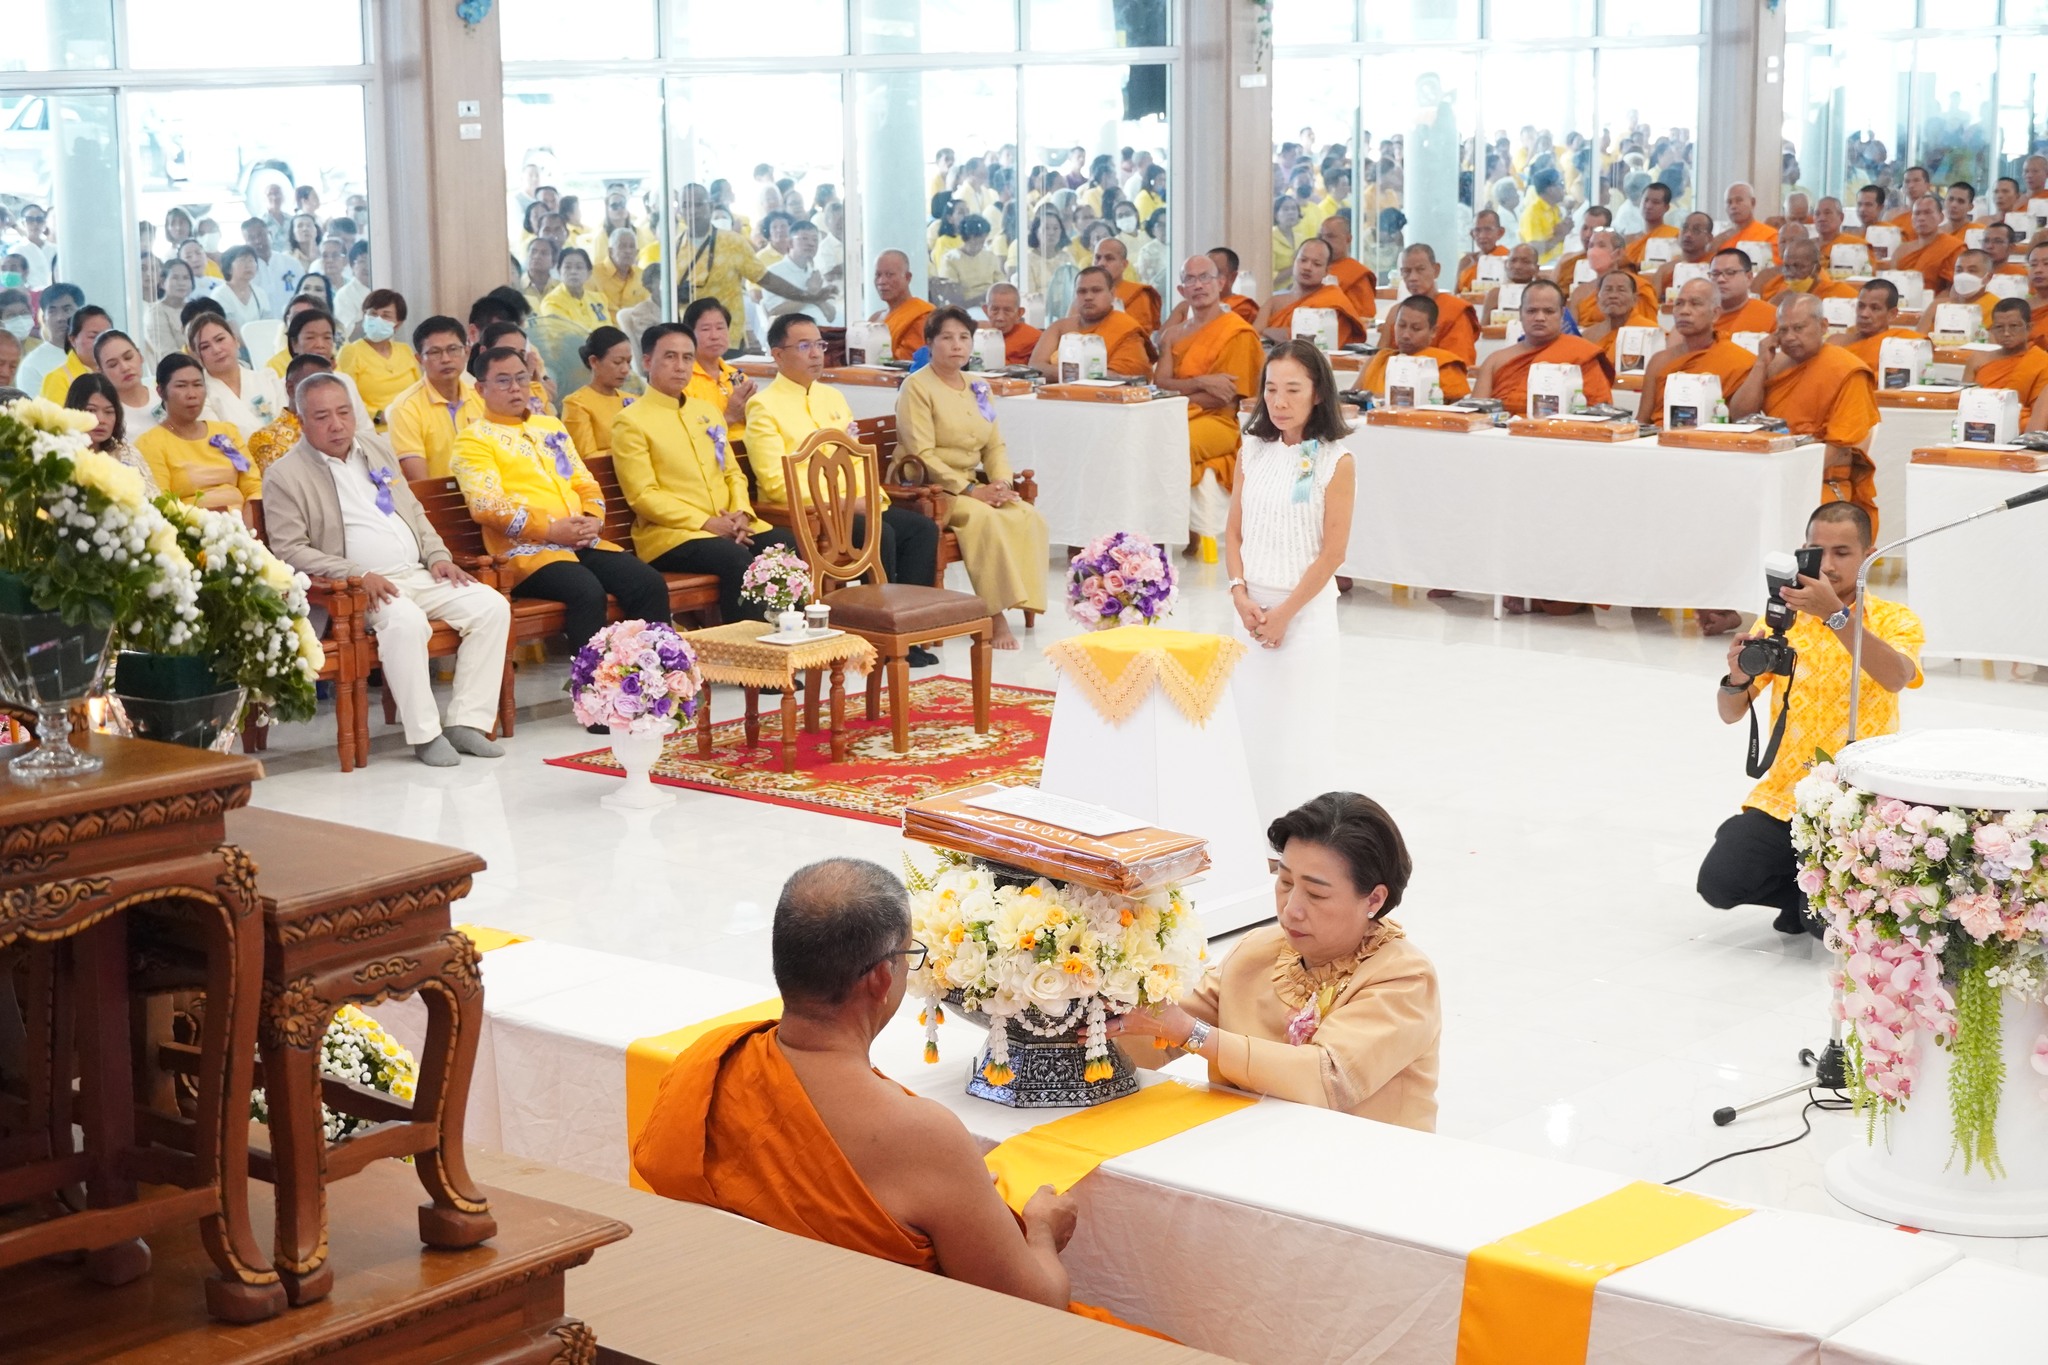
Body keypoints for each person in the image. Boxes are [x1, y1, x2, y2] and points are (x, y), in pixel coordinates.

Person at [632, 859, 1169, 1337]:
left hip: (732, 1327)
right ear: (880, 977)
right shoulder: (919, 1134)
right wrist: (1044, 1231)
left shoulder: (707, 1061)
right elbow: (1034, 1307)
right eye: (909, 955)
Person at [1110, 790, 1439, 1124]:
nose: (1291, 909)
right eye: (1284, 882)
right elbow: (1161, 1029)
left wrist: (1192, 1034)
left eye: (1316, 894)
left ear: (1374, 900)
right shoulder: (1257, 951)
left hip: (1359, 1152)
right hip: (1245, 1140)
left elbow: (1326, 1079)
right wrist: (1099, 1004)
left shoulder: (1404, 979)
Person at [1697, 503, 1923, 936]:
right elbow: (1730, 712)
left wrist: (1835, 615)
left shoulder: (1896, 619)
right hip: (1787, 795)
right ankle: (1800, 892)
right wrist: (1736, 679)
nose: (1829, 565)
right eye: (1818, 551)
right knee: (1719, 884)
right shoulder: (1782, 620)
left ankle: (1817, 902)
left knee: (1823, 927)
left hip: (1857, 804)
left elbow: (1896, 677)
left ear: (1868, 556)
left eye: (1843, 552)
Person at [266, 372, 510, 767]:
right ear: (301, 420)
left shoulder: (376, 447)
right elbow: (290, 549)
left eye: (344, 412)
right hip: (357, 589)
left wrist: (438, 556)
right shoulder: (284, 474)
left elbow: (412, 509)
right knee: (406, 622)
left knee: (491, 606)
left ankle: (467, 722)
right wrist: (357, 574)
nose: (337, 424)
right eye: (323, 416)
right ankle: (426, 735)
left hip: (417, 572)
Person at [1211, 341, 1357, 823]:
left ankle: (1299, 839)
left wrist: (1284, 615)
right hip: (1249, 615)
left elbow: (1333, 552)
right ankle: (1246, 830)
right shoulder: (1252, 449)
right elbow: (1234, 531)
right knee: (1248, 728)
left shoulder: (1337, 460)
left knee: (1298, 737)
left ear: (1318, 393)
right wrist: (1239, 593)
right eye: (1271, 389)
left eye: (1293, 389)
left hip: (1303, 617)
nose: (1279, 401)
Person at [453, 345, 671, 659]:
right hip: (527, 553)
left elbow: (584, 482)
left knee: (647, 582)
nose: (515, 388)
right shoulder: (474, 439)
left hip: (581, 541)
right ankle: (593, 684)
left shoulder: (550, 426)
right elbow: (487, 506)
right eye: (503, 381)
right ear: (480, 389)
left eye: (521, 378)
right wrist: (551, 530)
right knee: (586, 591)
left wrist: (592, 518)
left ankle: (656, 675)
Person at [745, 315, 939, 653]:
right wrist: (847, 505)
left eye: (819, 345)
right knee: (880, 533)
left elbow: (856, 460)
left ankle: (910, 633)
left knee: (920, 529)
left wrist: (870, 500)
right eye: (803, 346)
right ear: (777, 355)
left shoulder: (832, 397)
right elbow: (777, 482)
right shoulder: (763, 406)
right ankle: (877, 640)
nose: (816, 354)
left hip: (854, 505)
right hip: (809, 514)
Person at [609, 322, 796, 626]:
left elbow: (733, 474)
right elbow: (643, 495)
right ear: (647, 361)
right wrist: (706, 522)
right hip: (672, 536)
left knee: (784, 544)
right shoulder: (630, 421)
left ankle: (789, 641)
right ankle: (745, 654)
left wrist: (741, 513)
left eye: (687, 357)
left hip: (727, 525)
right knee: (736, 558)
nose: (680, 366)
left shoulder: (706, 412)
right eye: (670, 356)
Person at [896, 308, 1048, 649]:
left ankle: (1024, 600)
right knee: (985, 519)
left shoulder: (979, 386)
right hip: (929, 488)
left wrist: (1001, 484)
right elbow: (921, 453)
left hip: (972, 484)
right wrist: (969, 490)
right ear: (930, 343)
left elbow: (994, 445)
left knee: (1027, 515)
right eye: (947, 338)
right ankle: (993, 614)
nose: (957, 345)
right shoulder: (916, 387)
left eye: (964, 337)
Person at [1730, 293, 1883, 533]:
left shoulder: (1846, 370)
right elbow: (1740, 416)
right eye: (1783, 330)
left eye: (1799, 328)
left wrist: (1785, 474)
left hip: (1820, 479)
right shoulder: (1775, 364)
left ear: (1823, 326)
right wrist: (1760, 364)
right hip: (1773, 470)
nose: (1790, 337)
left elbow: (1838, 447)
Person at [1155, 255, 1263, 553]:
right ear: (1181, 290)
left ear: (1221, 283)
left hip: (1221, 422)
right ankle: (1151, 528)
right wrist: (1202, 381)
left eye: (1205, 277)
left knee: (1178, 443)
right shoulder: (1172, 335)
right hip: (1175, 414)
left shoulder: (1237, 332)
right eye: (1190, 279)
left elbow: (1224, 397)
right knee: (1145, 439)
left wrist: (1178, 394)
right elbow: (1160, 384)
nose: (1198, 285)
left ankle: (1177, 529)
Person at [673, 183, 827, 333]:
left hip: (728, 334)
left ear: (711, 206)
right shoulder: (674, 247)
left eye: (699, 204)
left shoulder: (733, 242)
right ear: (679, 210)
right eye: (686, 205)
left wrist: (804, 295)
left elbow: (766, 279)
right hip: (688, 334)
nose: (693, 211)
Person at [135, 354, 261, 523]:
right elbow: (162, 503)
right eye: (181, 386)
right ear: (161, 392)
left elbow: (253, 485)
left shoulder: (226, 431)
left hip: (246, 524)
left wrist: (250, 527)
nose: (192, 394)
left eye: (197, 385)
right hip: (192, 528)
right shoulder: (150, 443)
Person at [1471, 278, 1614, 413]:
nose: (1540, 318)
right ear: (1520, 313)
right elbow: (1476, 416)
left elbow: (1599, 412)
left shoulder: (1582, 353)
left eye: (1549, 311)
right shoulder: (1495, 361)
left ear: (1562, 314)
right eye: (1531, 311)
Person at [388, 315, 488, 480]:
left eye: (453, 349)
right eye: (435, 352)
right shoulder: (406, 407)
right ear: (419, 359)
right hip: (437, 495)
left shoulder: (482, 396)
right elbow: (421, 484)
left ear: (466, 352)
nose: (446, 359)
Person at [1028, 267, 1152, 378]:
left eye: (1096, 290)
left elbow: (1121, 376)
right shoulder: (1059, 327)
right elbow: (1035, 367)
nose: (1088, 297)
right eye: (1082, 291)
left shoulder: (1126, 328)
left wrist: (1069, 374)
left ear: (1112, 294)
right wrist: (1085, 374)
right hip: (1057, 395)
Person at [186, 314, 287, 442]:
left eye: (220, 339)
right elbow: (219, 442)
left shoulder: (268, 379)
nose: (216, 350)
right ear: (197, 356)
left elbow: (289, 426)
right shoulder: (199, 398)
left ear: (235, 340)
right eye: (205, 347)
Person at [1357, 295, 1470, 401]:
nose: (1405, 335)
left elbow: (1456, 408)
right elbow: (1352, 398)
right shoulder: (1377, 361)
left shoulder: (1444, 366)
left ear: (1433, 331)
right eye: (1401, 325)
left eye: (1416, 328)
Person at [1258, 238, 1366, 347]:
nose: (1307, 267)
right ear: (1294, 261)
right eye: (1303, 260)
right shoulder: (1274, 302)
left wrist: (1267, 331)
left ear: (1327, 271)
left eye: (1317, 264)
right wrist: (1274, 333)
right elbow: (1254, 336)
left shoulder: (1334, 301)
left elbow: (1317, 341)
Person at [337, 288, 421, 428]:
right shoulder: (351, 352)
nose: (378, 319)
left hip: (410, 425)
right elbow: (345, 399)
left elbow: (420, 390)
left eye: (385, 315)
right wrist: (379, 417)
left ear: (398, 324)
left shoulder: (405, 350)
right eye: (373, 314)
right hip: (373, 430)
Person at [64, 372, 157, 496]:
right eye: (91, 410)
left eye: (109, 412)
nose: (101, 420)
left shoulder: (126, 453)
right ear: (74, 411)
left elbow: (153, 499)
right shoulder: (61, 454)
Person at [1969, 300, 2048, 428]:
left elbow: (2040, 414)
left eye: (2014, 326)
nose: (2006, 333)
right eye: (1999, 327)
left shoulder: (2041, 361)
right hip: (1976, 422)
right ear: (1992, 330)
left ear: (2029, 328)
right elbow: (1963, 401)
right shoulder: (1978, 359)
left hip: (2019, 426)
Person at [248, 352, 333, 471]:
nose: (324, 393)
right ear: (291, 389)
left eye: (329, 386)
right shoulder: (265, 440)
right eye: (314, 385)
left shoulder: (338, 426)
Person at [1394, 244, 1478, 364]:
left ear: (1436, 270)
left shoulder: (1454, 311)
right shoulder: (1397, 312)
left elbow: (1457, 363)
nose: (1412, 277)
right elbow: (1382, 358)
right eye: (1406, 271)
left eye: (1420, 269)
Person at [561, 326, 637, 457]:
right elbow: (586, 457)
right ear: (594, 361)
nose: (625, 369)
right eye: (617, 362)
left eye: (628, 362)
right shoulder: (577, 404)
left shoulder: (634, 400)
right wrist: (634, 452)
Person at [682, 298, 755, 425]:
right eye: (705, 329)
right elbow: (689, 432)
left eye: (720, 328)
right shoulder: (682, 379)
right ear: (689, 335)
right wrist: (729, 416)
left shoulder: (738, 377)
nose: (714, 336)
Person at [1566, 230, 1659, 328]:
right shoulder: (1579, 292)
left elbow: (1643, 327)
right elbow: (1572, 331)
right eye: (1591, 246)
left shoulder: (1637, 287)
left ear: (1618, 253)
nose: (1594, 251)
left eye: (1601, 245)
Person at [1829, 279, 1920, 368]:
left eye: (1875, 308)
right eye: (1861, 306)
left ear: (1892, 314)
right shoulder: (1836, 342)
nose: (1864, 314)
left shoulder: (1902, 346)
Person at [1582, 269, 1663, 367]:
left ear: (1634, 299)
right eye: (1608, 289)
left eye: (1621, 290)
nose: (1613, 296)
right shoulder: (1588, 335)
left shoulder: (1649, 331)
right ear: (1597, 298)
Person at [763, 219, 836, 324]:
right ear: (790, 243)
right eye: (804, 238)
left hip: (821, 329)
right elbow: (775, 313)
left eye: (815, 239)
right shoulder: (773, 272)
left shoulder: (815, 273)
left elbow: (831, 316)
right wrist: (809, 293)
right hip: (792, 330)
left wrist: (818, 297)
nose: (811, 243)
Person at [868, 250, 936, 362]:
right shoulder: (875, 318)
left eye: (889, 275)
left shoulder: (922, 315)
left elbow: (908, 362)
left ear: (907, 277)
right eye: (878, 275)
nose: (882, 281)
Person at [1914, 247, 1998, 335]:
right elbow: (1918, 338)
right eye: (1959, 270)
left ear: (1988, 277)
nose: (1964, 276)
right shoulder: (1938, 306)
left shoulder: (1995, 308)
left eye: (1972, 271)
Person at [35, 304, 109, 404]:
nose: (101, 342)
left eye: (106, 336)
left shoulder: (117, 373)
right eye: (92, 336)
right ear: (73, 339)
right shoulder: (57, 379)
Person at [1892, 195, 1963, 295]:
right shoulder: (1901, 250)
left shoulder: (1953, 247)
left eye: (1928, 212)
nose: (1921, 218)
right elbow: (1891, 282)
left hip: (1937, 302)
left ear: (1941, 217)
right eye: (1917, 213)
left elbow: (1953, 290)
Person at [1315, 211, 1377, 320]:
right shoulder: (1313, 269)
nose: (1323, 241)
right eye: (1320, 236)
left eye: (1330, 236)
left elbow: (1364, 317)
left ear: (1348, 239)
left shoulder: (1356, 274)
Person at [1757, 234, 1854, 302]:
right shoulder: (1781, 298)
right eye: (1787, 267)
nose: (1791, 273)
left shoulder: (1838, 294)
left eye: (1798, 266)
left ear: (1816, 269)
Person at [1092, 235, 1159, 333]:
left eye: (1109, 258)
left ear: (1124, 264)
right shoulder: (1085, 293)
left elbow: (1140, 334)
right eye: (1097, 258)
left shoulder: (1137, 294)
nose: (1101, 263)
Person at [1650, 211, 1716, 302]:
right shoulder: (1664, 270)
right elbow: (1652, 304)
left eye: (1696, 230)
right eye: (1684, 228)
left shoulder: (1714, 267)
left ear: (1709, 238)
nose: (1688, 234)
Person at [539, 247, 610, 331]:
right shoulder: (551, 302)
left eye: (579, 267)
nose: (573, 272)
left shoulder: (599, 298)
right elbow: (567, 335)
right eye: (567, 267)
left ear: (589, 273)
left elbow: (609, 329)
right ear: (559, 271)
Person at [1709, 181, 1780, 265]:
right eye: (1729, 202)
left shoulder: (1770, 235)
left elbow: (1774, 268)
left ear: (1752, 202)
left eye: (1739, 201)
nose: (1733, 206)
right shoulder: (1720, 239)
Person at [1518, 167, 1573, 266]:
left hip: (1559, 261)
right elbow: (1534, 249)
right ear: (1550, 189)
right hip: (1543, 266)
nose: (1564, 189)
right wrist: (1560, 236)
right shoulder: (1533, 213)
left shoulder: (1555, 208)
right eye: (1561, 184)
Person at [1478, 243, 1541, 324]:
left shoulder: (1542, 294)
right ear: (1505, 265)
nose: (1517, 266)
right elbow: (1483, 328)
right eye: (1513, 261)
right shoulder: (1495, 294)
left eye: (1525, 262)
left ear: (1536, 268)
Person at [1623, 181, 1679, 268]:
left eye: (1655, 202)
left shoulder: (1674, 235)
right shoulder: (1627, 239)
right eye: (1645, 200)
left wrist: (1637, 267)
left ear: (1666, 208)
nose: (1648, 206)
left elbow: (1672, 266)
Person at [983, 283, 1039, 366]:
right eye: (994, 310)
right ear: (985, 310)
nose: (1000, 318)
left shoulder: (1034, 338)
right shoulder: (977, 336)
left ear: (1019, 313)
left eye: (1007, 311)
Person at [1454, 208, 1510, 291]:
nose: (1482, 236)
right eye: (1477, 230)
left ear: (1500, 232)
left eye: (1488, 230)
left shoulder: (1509, 259)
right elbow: (1456, 294)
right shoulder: (1466, 261)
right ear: (1472, 234)